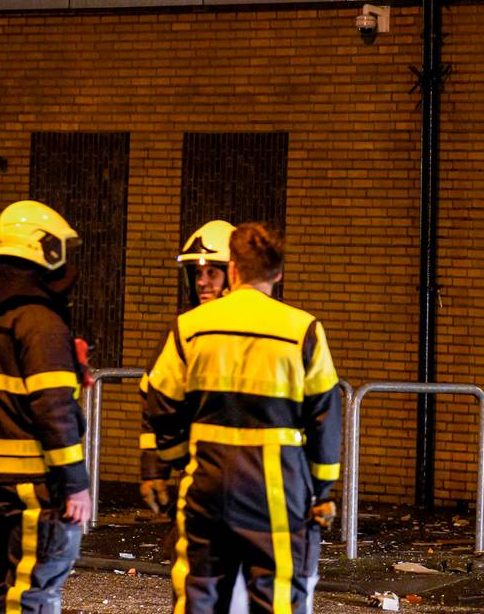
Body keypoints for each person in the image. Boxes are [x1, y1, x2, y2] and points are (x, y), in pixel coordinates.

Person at [143, 223, 341, 613]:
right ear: (278, 273)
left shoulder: (190, 327)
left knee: (199, 593)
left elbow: (160, 404)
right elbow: (325, 418)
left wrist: (176, 461)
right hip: (277, 492)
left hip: (205, 486)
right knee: (278, 596)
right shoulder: (302, 330)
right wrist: (322, 491)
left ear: (233, 270)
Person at [0, 200, 91, 613]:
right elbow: (53, 409)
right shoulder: (41, 323)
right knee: (32, 593)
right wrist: (75, 482)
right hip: (38, 489)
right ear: (46, 253)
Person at [139, 220, 236, 512]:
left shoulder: (252, 328)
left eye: (212, 272)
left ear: (233, 274)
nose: (202, 282)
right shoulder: (184, 331)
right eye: (197, 273)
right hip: (200, 471)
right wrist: (154, 470)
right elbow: (156, 402)